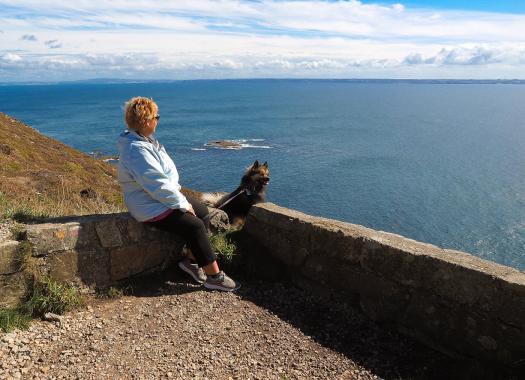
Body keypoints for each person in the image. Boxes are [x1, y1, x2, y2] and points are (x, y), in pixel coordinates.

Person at [117, 96, 240, 292]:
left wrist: (181, 200)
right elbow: (156, 184)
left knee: (204, 212)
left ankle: (190, 262)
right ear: (147, 120)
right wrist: (182, 204)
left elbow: (161, 183)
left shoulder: (145, 141)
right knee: (195, 226)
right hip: (149, 205)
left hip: (159, 198)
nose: (158, 119)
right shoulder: (136, 150)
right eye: (156, 116)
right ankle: (214, 277)